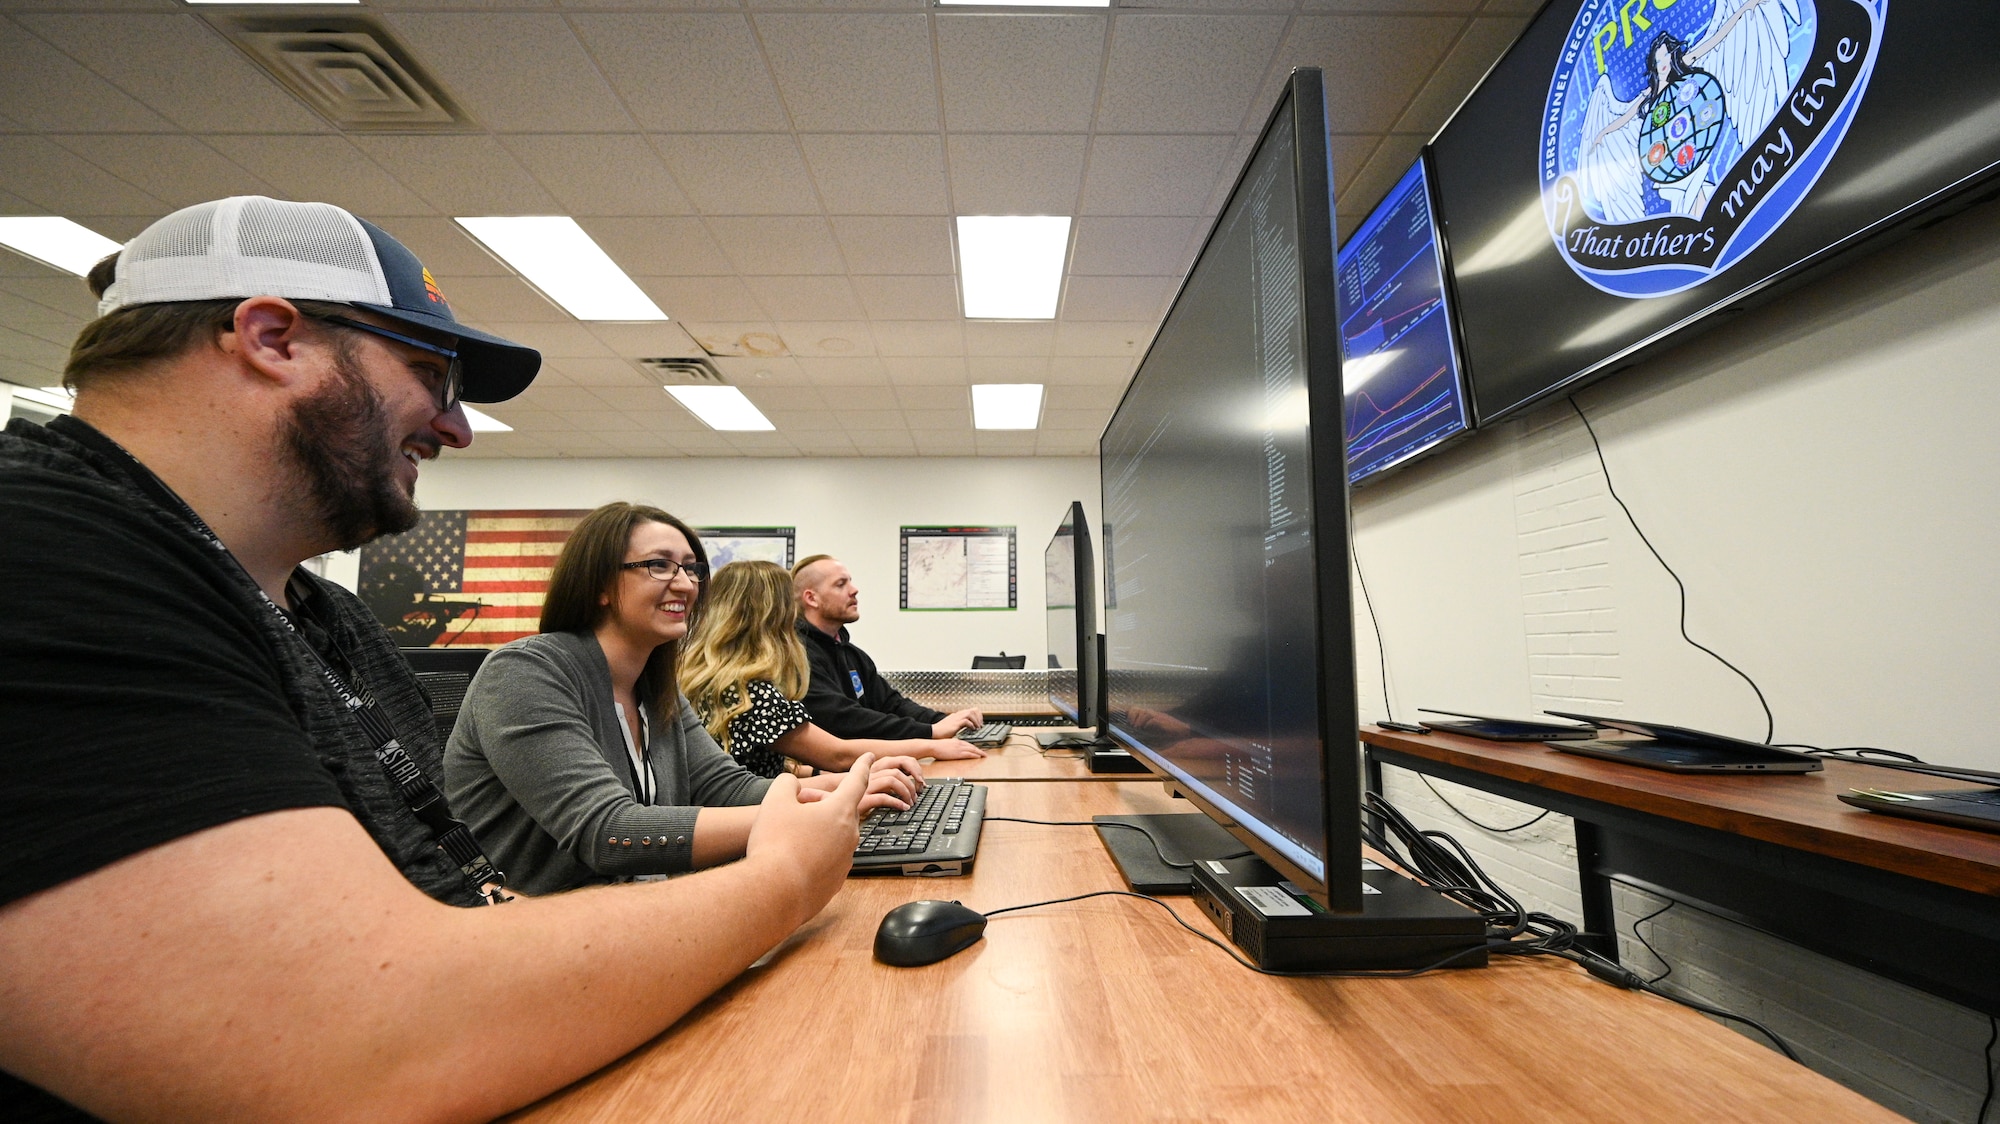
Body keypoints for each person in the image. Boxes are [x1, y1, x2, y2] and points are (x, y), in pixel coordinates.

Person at [0, 197, 869, 1122]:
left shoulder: (322, 615)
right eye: (429, 374)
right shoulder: (51, 552)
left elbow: (451, 908)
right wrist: (783, 877)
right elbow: (340, 1048)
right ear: (269, 338)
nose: (454, 428)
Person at [443, 506, 920, 895]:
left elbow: (727, 787)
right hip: (547, 937)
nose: (687, 584)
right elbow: (608, 832)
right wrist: (805, 815)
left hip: (642, 915)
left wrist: (845, 788)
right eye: (659, 565)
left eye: (692, 568)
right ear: (600, 585)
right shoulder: (525, 672)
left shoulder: (656, 686)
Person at [681, 560, 986, 777]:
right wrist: (928, 743)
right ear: (771, 617)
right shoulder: (752, 691)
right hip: (754, 823)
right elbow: (836, 753)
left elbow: (759, 764)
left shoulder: (713, 682)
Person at [792, 553, 984, 741]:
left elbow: (891, 704)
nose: (854, 590)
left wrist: (945, 722)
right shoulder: (797, 656)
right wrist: (930, 731)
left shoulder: (852, 655)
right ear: (811, 598)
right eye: (841, 584)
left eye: (850, 581)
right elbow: (843, 720)